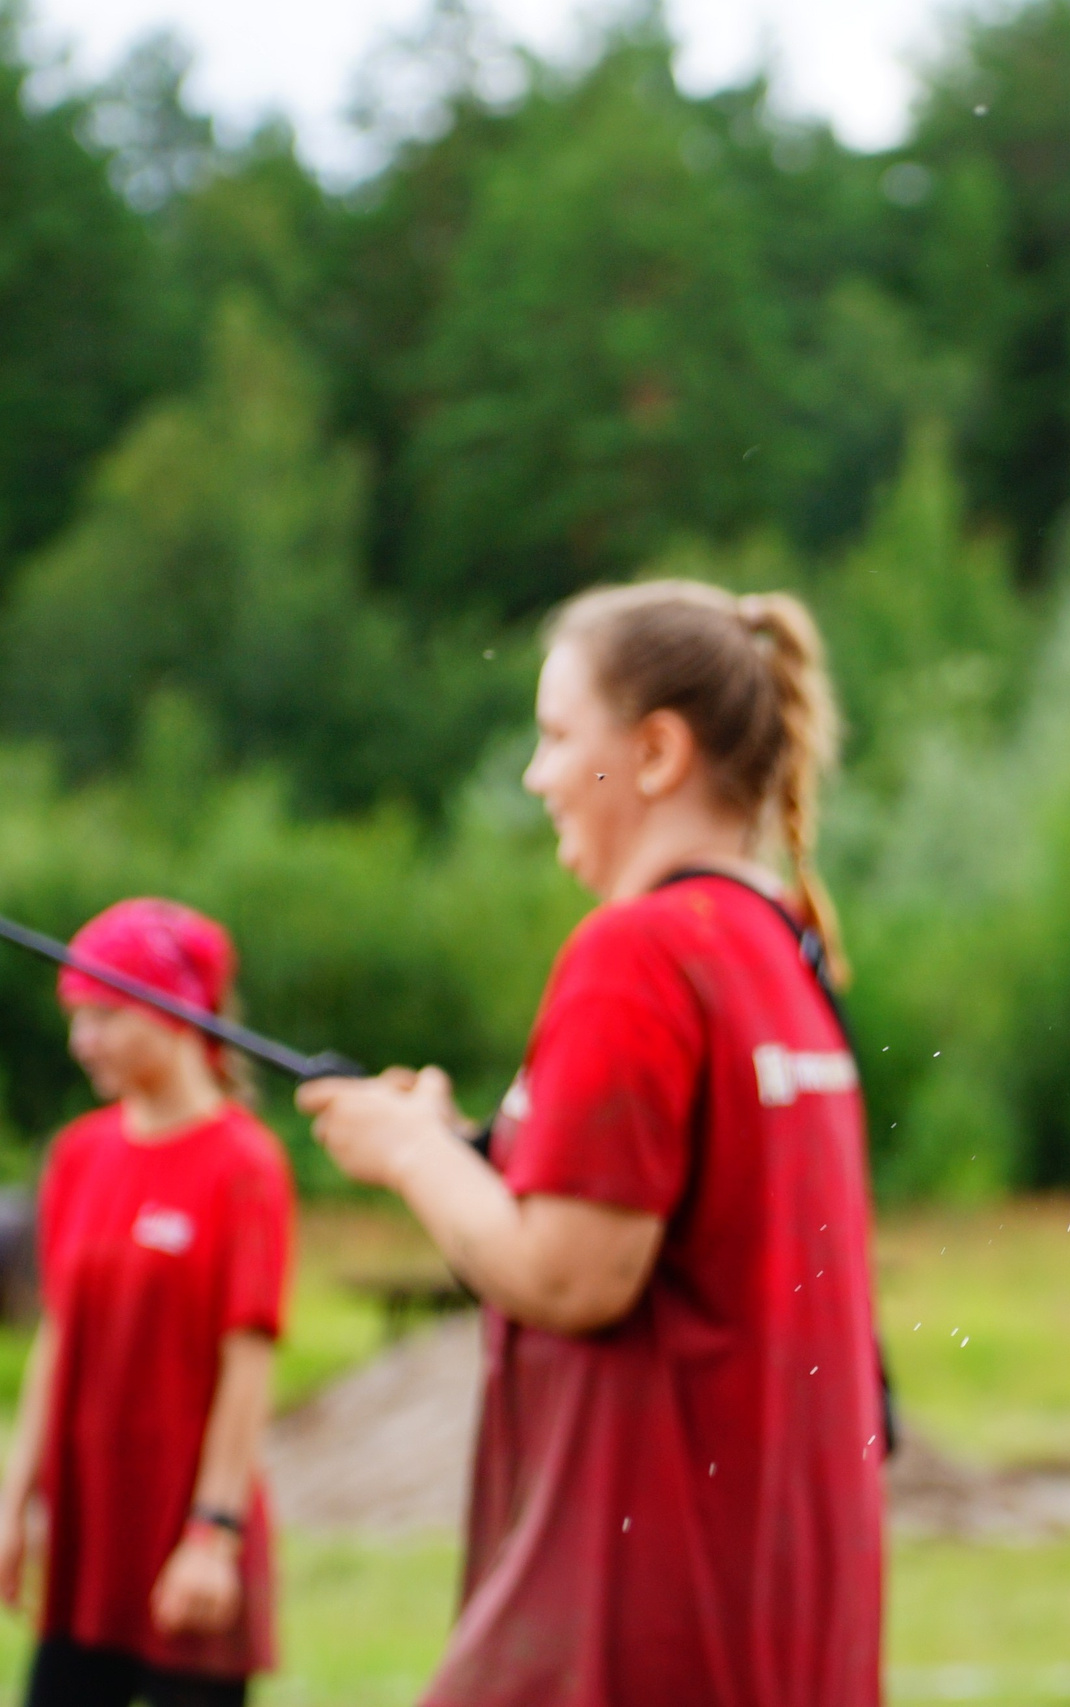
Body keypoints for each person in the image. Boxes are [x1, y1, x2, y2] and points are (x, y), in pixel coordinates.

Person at [298, 581, 884, 1707]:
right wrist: (458, 1143)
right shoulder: (781, 947)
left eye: (559, 735)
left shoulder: (637, 952)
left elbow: (575, 1273)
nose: (535, 773)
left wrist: (409, 1156)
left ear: (656, 752)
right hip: (781, 1607)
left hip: (641, 1608)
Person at [0, 899, 293, 1707]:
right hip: (92, 1540)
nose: (79, 1040)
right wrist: (13, 1497)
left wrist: (213, 1533)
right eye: (75, 1017)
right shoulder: (78, 1155)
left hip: (187, 1535)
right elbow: (60, 1337)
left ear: (173, 1014)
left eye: (101, 1016)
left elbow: (249, 1362)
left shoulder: (245, 1164)